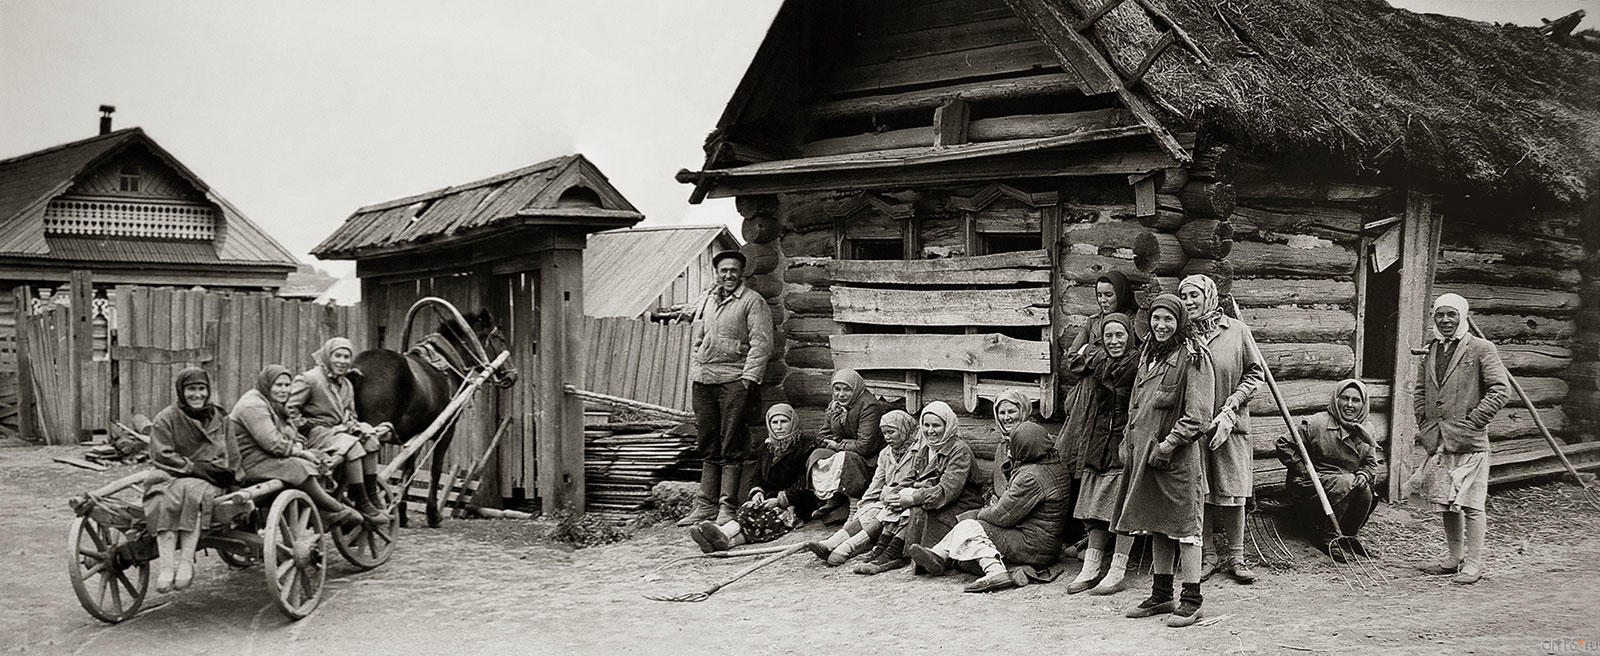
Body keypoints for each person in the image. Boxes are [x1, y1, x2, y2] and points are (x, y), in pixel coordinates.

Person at [1115, 294, 1216, 627]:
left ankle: (1191, 599)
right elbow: (1136, 404)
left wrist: (1168, 445)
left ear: (1180, 322)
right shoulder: (1149, 353)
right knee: (1158, 524)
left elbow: (1198, 416)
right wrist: (1128, 442)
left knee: (1186, 529)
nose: (1161, 325)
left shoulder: (1194, 356)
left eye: (1168, 320)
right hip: (1144, 455)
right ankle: (1161, 595)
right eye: (1156, 318)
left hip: (1177, 460)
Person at [1404, 293, 1510, 585]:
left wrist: (1473, 422)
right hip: (1440, 440)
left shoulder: (1481, 348)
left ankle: (1473, 564)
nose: (1446, 320)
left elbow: (1500, 390)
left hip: (1470, 441)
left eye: (1452, 315)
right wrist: (1425, 423)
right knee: (1446, 501)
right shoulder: (1433, 349)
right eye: (1440, 315)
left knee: (1472, 503)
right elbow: (1421, 391)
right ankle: (1454, 559)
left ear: (1462, 316)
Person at [906, 422, 1072, 593]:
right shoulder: (1052, 464)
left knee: (970, 526)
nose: (1010, 451)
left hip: (1034, 544)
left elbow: (1002, 515)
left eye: (1013, 445)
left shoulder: (1031, 477)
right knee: (969, 531)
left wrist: (978, 514)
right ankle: (939, 556)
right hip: (1044, 543)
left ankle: (994, 571)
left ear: (1024, 447)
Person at [1178, 273, 1264, 585]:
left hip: (1232, 424)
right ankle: (1208, 556)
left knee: (1233, 490)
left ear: (1209, 297)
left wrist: (1233, 405)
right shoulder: (1183, 334)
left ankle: (1237, 558)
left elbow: (1255, 374)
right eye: (1184, 297)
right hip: (1195, 426)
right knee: (1201, 491)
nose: (1189, 303)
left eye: (1194, 296)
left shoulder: (1237, 331)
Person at [679, 250, 774, 527]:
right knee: (708, 441)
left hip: (734, 381)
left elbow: (761, 344)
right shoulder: (710, 300)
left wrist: (747, 380)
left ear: (741, 273)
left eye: (733, 270)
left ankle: (727, 507)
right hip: (705, 380)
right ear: (716, 273)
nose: (729, 275)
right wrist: (697, 366)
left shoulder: (752, 302)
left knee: (731, 442)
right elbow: (700, 338)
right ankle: (705, 505)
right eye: (724, 270)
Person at [854, 401, 984, 576]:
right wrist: (894, 494)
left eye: (936, 425)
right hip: (933, 498)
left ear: (948, 426)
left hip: (959, 504)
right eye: (926, 425)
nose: (930, 430)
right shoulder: (926, 450)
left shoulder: (959, 451)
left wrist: (914, 497)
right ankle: (882, 547)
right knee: (896, 503)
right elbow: (910, 478)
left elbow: (948, 490)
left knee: (915, 508)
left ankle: (895, 553)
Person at [143, 367, 238, 593]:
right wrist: (191, 467)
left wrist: (232, 476)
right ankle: (166, 567)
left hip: (211, 478)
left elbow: (233, 453)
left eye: (201, 389)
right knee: (162, 494)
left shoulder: (220, 417)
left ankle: (186, 563)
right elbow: (161, 454)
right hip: (176, 473)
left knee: (194, 493)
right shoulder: (166, 418)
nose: (197, 395)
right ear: (181, 391)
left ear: (208, 391)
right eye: (191, 389)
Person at [231, 364, 362, 528]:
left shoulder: (274, 403)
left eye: (287, 385)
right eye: (278, 385)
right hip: (249, 463)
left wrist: (299, 444)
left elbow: (292, 432)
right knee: (299, 467)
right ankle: (334, 508)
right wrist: (301, 453)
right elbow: (272, 442)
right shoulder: (252, 405)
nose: (284, 390)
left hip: (266, 457)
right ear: (267, 384)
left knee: (322, 460)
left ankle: (321, 506)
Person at [1067, 312, 1142, 595]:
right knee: (1095, 506)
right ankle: (1092, 566)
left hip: (1126, 439)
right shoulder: (1099, 360)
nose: (1114, 341)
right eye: (1108, 336)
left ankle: (1118, 569)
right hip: (1099, 438)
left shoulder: (1137, 363)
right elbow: (1076, 355)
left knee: (1123, 508)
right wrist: (1088, 351)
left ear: (1129, 336)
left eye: (1119, 335)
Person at [1277, 379, 1383, 562]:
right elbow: (1283, 444)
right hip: (1310, 489)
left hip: (1343, 487)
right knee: (1347, 481)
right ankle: (1328, 537)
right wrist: (1304, 470)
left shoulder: (1367, 430)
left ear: (1364, 404)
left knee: (1365, 490)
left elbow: (1371, 464)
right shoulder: (1317, 423)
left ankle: (1349, 536)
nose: (1349, 405)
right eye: (1345, 398)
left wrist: (1364, 475)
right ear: (1336, 400)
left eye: (1356, 400)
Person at [288, 337, 389, 524]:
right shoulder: (310, 379)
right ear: (328, 356)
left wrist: (354, 425)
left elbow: (349, 412)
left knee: (370, 440)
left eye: (346, 357)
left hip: (338, 432)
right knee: (352, 446)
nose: (342, 361)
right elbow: (289, 409)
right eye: (337, 356)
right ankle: (361, 500)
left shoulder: (346, 385)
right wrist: (307, 427)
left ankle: (371, 493)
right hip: (315, 433)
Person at [690, 404, 818, 552]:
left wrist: (780, 500)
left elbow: (806, 481)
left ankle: (724, 534)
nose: (779, 427)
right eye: (774, 423)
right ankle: (725, 540)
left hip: (797, 502)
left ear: (793, 422)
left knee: (768, 519)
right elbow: (757, 476)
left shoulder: (806, 446)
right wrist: (758, 492)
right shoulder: (767, 448)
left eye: (784, 421)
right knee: (749, 510)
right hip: (769, 498)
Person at [805, 409, 919, 565]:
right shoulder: (886, 453)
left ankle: (847, 548)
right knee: (870, 511)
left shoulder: (919, 451)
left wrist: (892, 496)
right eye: (884, 433)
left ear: (904, 429)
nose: (887, 437)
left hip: (906, 500)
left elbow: (917, 481)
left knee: (881, 513)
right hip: (887, 500)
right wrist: (863, 506)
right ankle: (830, 544)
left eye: (891, 432)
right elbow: (876, 484)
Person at [1060, 272, 1144, 482]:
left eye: (1109, 294)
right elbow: (1071, 358)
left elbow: (1130, 357)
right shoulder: (1092, 322)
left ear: (1121, 294)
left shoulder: (1134, 322)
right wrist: (1101, 356)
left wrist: (1090, 351)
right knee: (1079, 442)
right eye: (1099, 295)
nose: (1103, 300)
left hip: (1119, 393)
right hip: (1089, 392)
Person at [805, 369, 885, 521]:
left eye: (847, 389)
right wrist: (838, 443)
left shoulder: (869, 407)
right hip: (848, 450)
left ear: (856, 389)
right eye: (837, 389)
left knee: (844, 457)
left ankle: (855, 506)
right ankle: (833, 499)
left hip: (870, 459)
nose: (841, 394)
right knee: (817, 455)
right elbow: (822, 435)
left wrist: (837, 444)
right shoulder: (835, 405)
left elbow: (865, 446)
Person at [988, 389, 1039, 502]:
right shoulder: (1003, 445)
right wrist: (992, 496)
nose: (1006, 418)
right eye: (1002, 413)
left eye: (1011, 412)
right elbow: (994, 480)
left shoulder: (1033, 441)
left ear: (1023, 411)